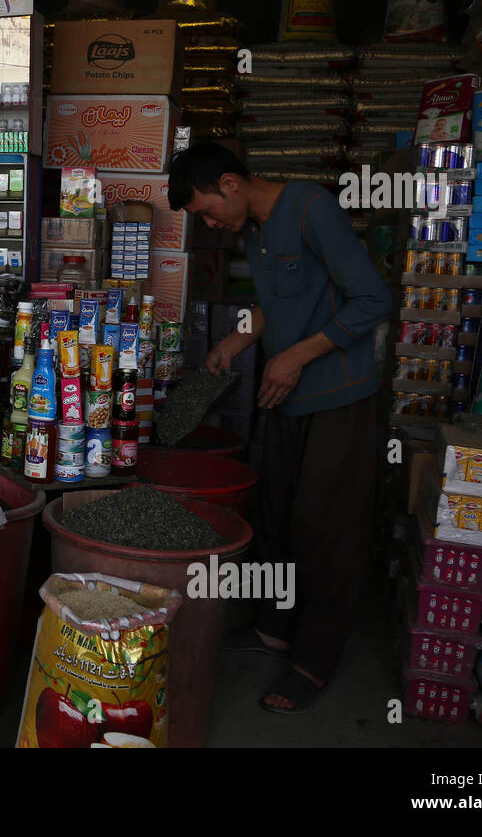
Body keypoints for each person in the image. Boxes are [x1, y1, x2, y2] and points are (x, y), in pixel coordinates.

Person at [167, 143, 391, 714]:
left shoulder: (313, 211)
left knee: (326, 527)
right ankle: (275, 630)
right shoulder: (255, 232)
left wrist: (296, 356)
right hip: (286, 396)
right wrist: (241, 336)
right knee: (277, 512)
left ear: (231, 182)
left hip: (338, 394)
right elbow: (278, 302)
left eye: (208, 211)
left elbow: (371, 300)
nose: (211, 224)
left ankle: (314, 661)